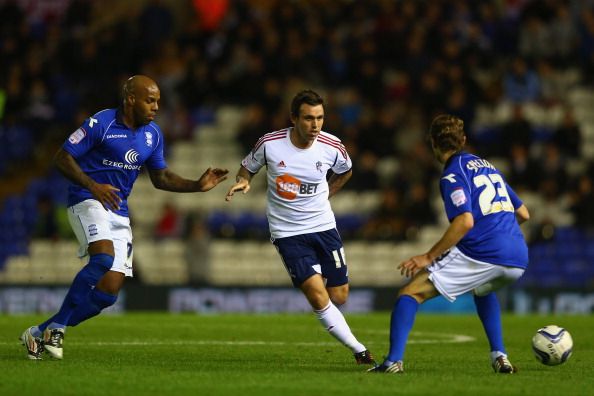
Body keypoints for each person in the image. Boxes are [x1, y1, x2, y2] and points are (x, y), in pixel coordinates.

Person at [20, 75, 228, 360]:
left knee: (108, 293)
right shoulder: (101, 123)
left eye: (157, 101)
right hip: (86, 199)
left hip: (118, 210)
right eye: (150, 100)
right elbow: (62, 157)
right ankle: (57, 328)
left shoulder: (152, 134)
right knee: (103, 259)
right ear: (131, 99)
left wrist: (197, 185)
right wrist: (93, 186)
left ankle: (36, 333)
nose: (156, 107)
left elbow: (161, 177)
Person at [225, 89, 376, 367]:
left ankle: (323, 289)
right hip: (287, 233)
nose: (315, 125)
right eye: (308, 118)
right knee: (317, 295)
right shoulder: (270, 144)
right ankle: (360, 351)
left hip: (323, 227)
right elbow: (247, 168)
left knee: (339, 295)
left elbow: (346, 170)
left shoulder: (332, 146)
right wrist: (244, 181)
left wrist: (327, 193)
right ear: (294, 118)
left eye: (319, 118)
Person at [369, 114, 530, 374]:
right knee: (483, 290)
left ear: (433, 142)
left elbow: (464, 221)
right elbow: (524, 214)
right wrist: (502, 234)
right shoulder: (489, 166)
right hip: (519, 255)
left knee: (410, 293)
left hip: (485, 251)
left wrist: (428, 256)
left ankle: (392, 362)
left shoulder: (452, 174)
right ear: (463, 140)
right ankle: (500, 356)